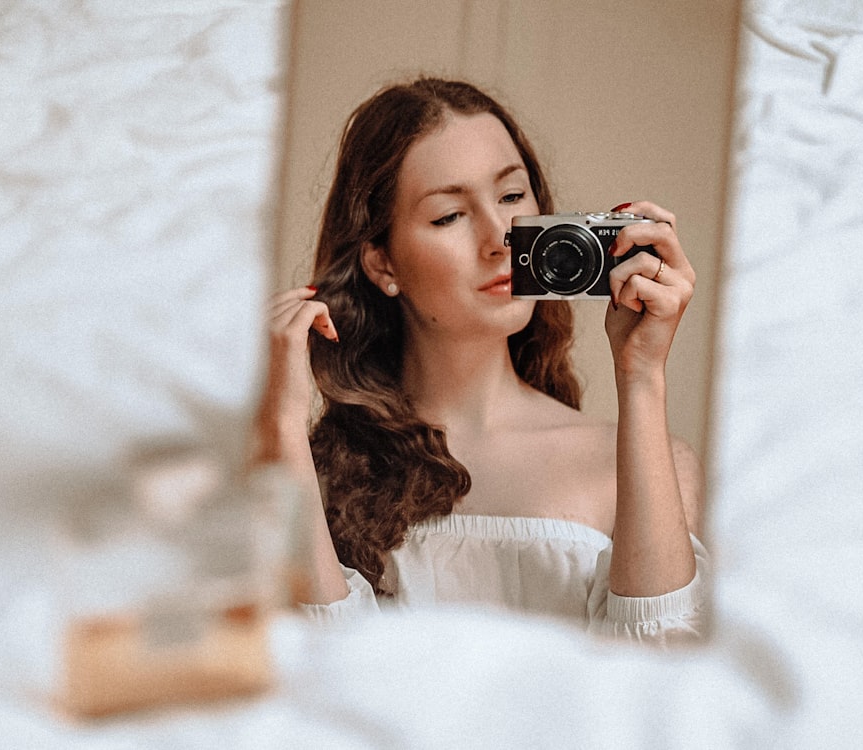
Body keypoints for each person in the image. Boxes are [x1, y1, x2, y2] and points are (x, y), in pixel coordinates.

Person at [256, 77, 707, 642]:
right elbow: (315, 676)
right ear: (382, 263)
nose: (501, 239)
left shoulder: (645, 463)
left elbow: (661, 680)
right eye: (449, 216)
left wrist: (641, 376)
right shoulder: (316, 473)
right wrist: (281, 431)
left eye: (512, 197)